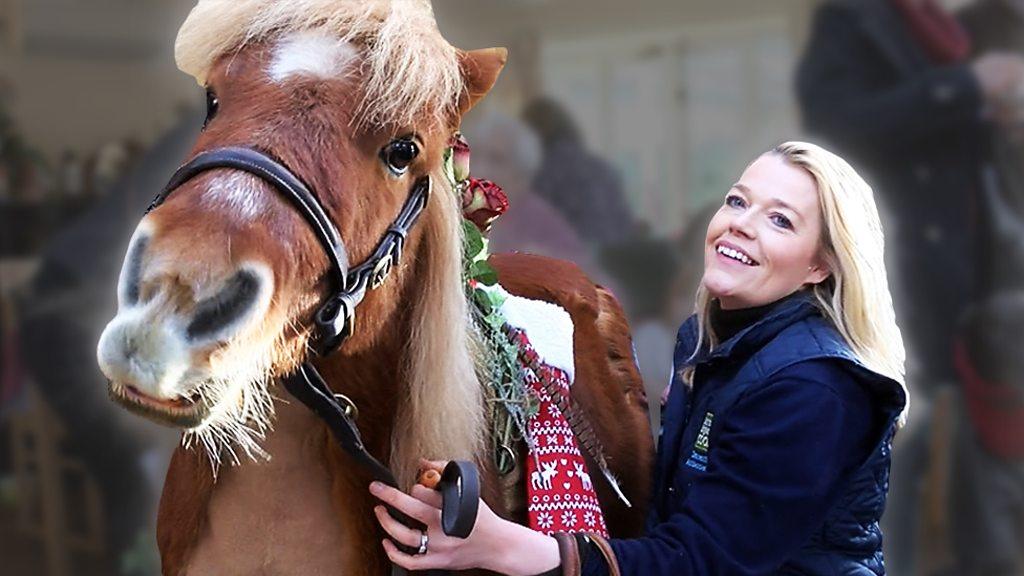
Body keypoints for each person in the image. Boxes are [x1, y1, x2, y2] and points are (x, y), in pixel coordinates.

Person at [369, 141, 909, 575]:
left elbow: (704, 561)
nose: (741, 223)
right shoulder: (710, 341)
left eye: (782, 221)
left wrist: (503, 547)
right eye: (738, 201)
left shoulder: (814, 387)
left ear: (821, 266)